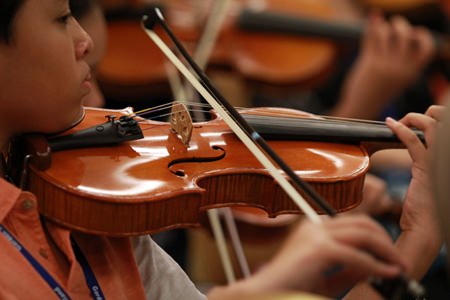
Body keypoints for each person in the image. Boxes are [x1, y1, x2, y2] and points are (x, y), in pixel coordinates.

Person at [0, 1, 442, 299]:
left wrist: (418, 239)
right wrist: (273, 280)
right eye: (61, 18)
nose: (87, 42)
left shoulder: (85, 207)